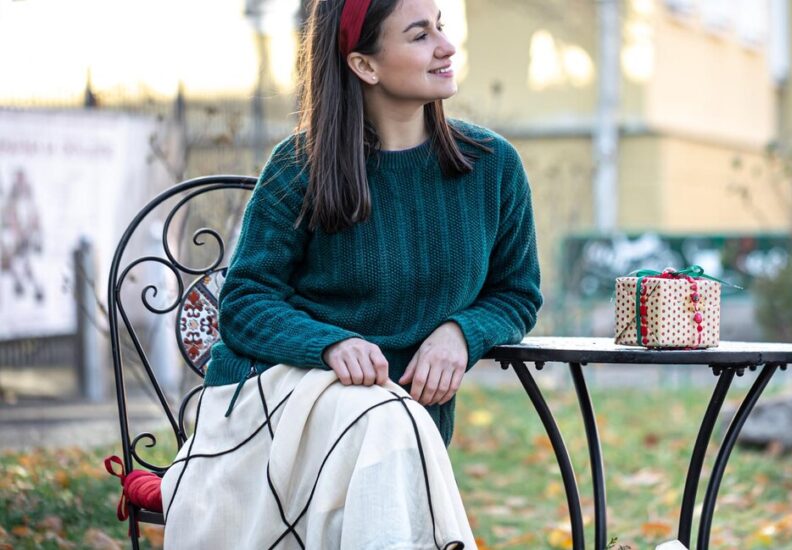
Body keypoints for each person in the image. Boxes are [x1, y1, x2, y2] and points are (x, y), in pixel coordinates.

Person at [159, 0, 542, 547]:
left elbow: (516, 292)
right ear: (365, 65)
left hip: (392, 429)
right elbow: (243, 301)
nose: (446, 46)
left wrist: (463, 332)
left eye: (442, 26)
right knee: (384, 417)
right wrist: (330, 345)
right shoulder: (300, 166)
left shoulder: (492, 166)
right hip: (279, 406)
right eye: (419, 35)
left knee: (386, 420)